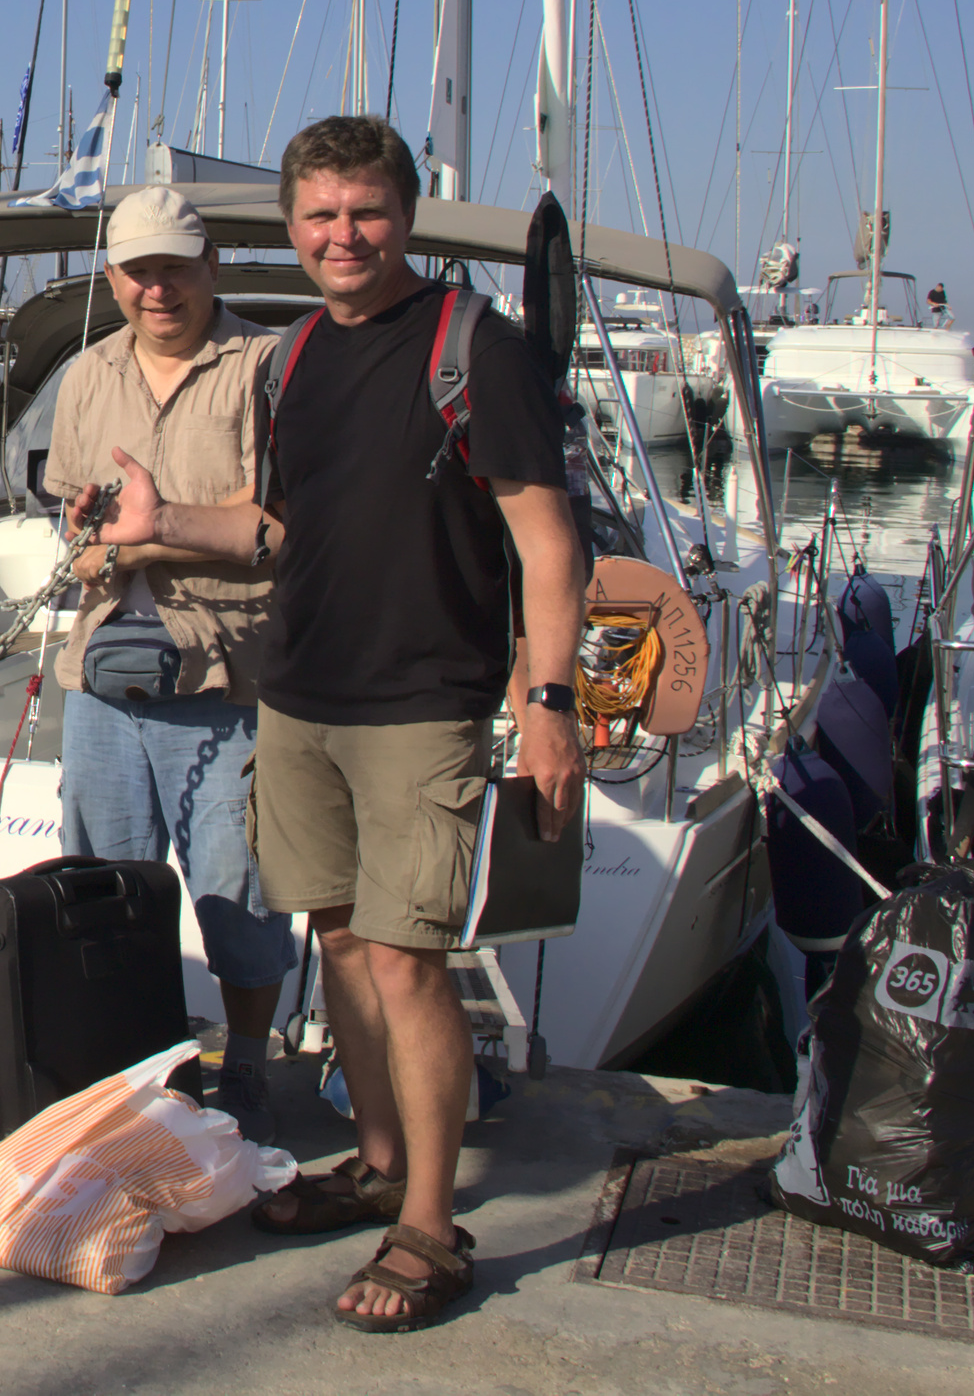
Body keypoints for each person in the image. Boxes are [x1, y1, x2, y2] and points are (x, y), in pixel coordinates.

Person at [76, 115, 583, 1334]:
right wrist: (162, 519)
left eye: (365, 212)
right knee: (343, 942)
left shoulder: (475, 347)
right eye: (320, 215)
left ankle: (431, 1227)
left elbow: (547, 539)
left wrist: (550, 701)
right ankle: (378, 1163)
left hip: (422, 701)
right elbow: (277, 531)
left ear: (403, 217)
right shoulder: (295, 357)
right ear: (292, 226)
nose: (342, 236)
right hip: (298, 695)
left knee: (409, 961)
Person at [40, 186, 294, 1145]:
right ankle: (133, 1070)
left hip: (232, 684)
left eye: (175, 269)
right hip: (105, 683)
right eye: (139, 271)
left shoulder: (266, 366)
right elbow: (75, 530)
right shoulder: (86, 375)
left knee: (242, 895)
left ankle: (250, 1067)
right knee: (106, 891)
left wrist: (145, 542)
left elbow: (278, 528)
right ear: (112, 279)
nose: (158, 289)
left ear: (211, 267)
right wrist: (95, 549)